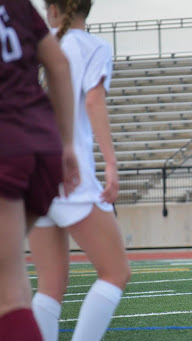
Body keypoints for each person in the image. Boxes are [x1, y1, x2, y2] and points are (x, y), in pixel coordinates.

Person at [28, 1, 131, 340]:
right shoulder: (93, 46)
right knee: (116, 272)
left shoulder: (49, 46)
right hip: (70, 172)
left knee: (50, 285)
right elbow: (93, 100)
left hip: (36, 170)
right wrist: (112, 164)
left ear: (55, 9)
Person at [0, 1, 80, 340]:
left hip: (6, 146)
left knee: (8, 297)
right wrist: (66, 145)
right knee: (10, 285)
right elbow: (58, 65)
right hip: (42, 146)